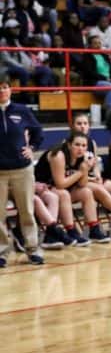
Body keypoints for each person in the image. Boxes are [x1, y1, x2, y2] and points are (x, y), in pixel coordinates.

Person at [35, 131, 111, 243]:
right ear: (69, 145)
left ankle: (95, 229)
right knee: (64, 194)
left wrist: (85, 169)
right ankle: (71, 231)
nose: (80, 148)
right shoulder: (59, 155)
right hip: (42, 187)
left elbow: (82, 184)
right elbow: (60, 184)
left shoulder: (82, 156)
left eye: (84, 146)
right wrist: (81, 172)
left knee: (86, 192)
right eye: (77, 145)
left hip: (61, 187)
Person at [0, 79, 43, 267]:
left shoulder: (22, 110)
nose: (2, 91)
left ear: (10, 90)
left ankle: (33, 249)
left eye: (5, 87)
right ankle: (2, 252)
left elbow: (38, 132)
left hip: (22, 170)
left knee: (27, 211)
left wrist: (31, 147)